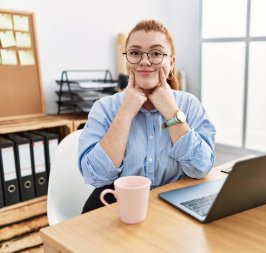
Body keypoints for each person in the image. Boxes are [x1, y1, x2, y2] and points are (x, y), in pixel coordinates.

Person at [78, 20, 216, 213]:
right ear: (126, 60)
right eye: (135, 53)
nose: (144, 61)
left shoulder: (189, 105)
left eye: (156, 53)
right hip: (118, 208)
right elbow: (96, 177)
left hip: (170, 208)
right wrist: (126, 111)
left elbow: (201, 167)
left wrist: (170, 110)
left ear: (171, 62)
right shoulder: (104, 108)